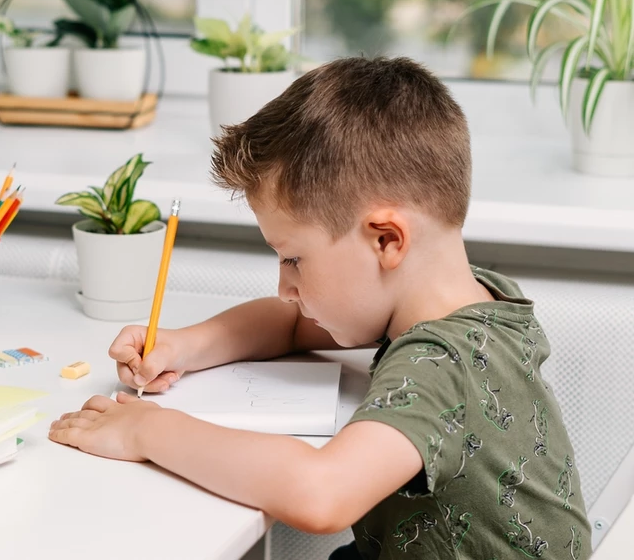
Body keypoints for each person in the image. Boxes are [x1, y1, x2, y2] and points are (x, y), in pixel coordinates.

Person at [49, 56, 591, 559]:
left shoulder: (441, 365)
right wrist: (181, 346)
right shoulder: (471, 295)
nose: (286, 287)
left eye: (293, 260)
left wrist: (147, 431)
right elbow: (291, 324)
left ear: (385, 241)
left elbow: (321, 493)